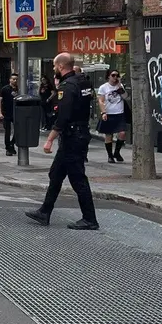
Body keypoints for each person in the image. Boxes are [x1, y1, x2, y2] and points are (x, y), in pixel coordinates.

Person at [26, 53, 99, 230]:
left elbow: (63, 116)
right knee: (56, 174)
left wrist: (49, 139)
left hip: (72, 137)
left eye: (54, 66)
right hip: (79, 134)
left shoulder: (67, 87)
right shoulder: (83, 82)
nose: (53, 69)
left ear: (60, 66)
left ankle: (90, 219)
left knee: (77, 178)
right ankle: (45, 211)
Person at [96, 70, 128, 163]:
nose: (115, 77)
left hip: (119, 112)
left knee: (122, 133)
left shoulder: (120, 86)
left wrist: (119, 87)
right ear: (108, 76)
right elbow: (101, 101)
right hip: (109, 113)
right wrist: (103, 112)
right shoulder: (104, 87)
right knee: (109, 135)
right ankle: (110, 156)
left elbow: (125, 97)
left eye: (117, 75)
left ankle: (117, 152)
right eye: (113, 75)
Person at [0, 74, 19, 156]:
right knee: (7, 131)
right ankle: (8, 148)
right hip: (6, 113)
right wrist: (0, 112)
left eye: (16, 79)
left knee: (18, 130)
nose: (15, 81)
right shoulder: (5, 89)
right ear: (10, 79)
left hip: (17, 113)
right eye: (13, 79)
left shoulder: (19, 89)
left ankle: (12, 143)